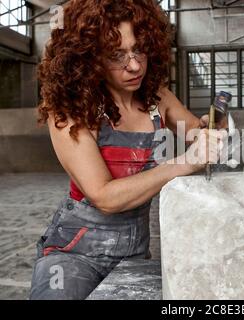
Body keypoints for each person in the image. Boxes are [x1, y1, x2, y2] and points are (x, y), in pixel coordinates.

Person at [30, 0, 226, 300]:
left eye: (139, 49)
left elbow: (195, 134)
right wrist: (186, 162)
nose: (134, 65)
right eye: (116, 55)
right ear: (88, 58)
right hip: (74, 254)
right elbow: (104, 197)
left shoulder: (156, 97)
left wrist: (212, 131)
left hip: (134, 252)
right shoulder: (69, 111)